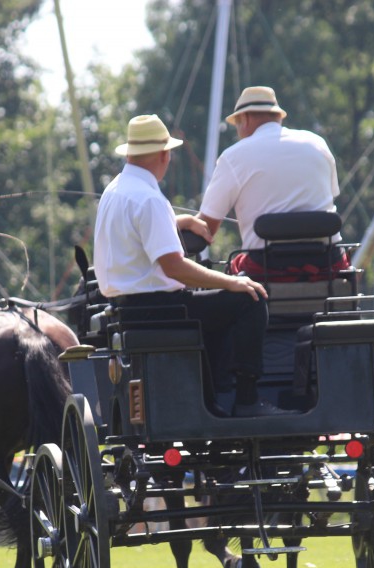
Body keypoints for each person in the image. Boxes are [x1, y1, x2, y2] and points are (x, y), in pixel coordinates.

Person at [93, 113, 289, 417]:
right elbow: (175, 268)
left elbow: (135, 231)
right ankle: (247, 400)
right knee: (249, 299)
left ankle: (212, 397)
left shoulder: (116, 190)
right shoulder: (149, 199)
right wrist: (231, 281)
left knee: (217, 304)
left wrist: (177, 220)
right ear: (164, 155)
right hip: (160, 309)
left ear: (130, 154)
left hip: (128, 309)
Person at [193, 85, 347, 276]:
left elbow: (205, 228)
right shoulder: (317, 144)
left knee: (230, 273)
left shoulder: (233, 156)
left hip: (267, 270)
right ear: (279, 117)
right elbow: (328, 199)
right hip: (328, 265)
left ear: (245, 119)